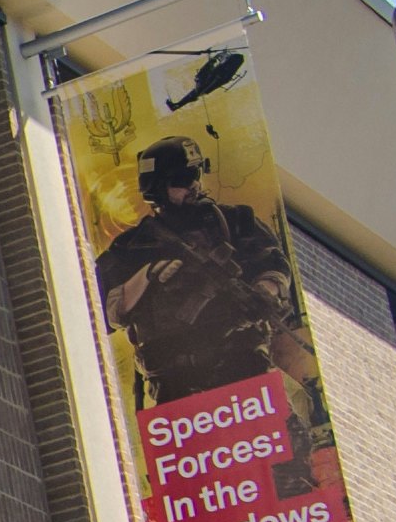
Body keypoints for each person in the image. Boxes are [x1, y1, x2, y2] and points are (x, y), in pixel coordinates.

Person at [92, 136, 308, 403]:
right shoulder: (131, 247)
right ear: (158, 188)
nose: (193, 185)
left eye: (195, 173)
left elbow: (273, 263)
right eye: (182, 179)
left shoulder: (236, 222)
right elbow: (98, 310)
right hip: (174, 382)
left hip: (243, 366)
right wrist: (149, 274)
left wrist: (265, 291)